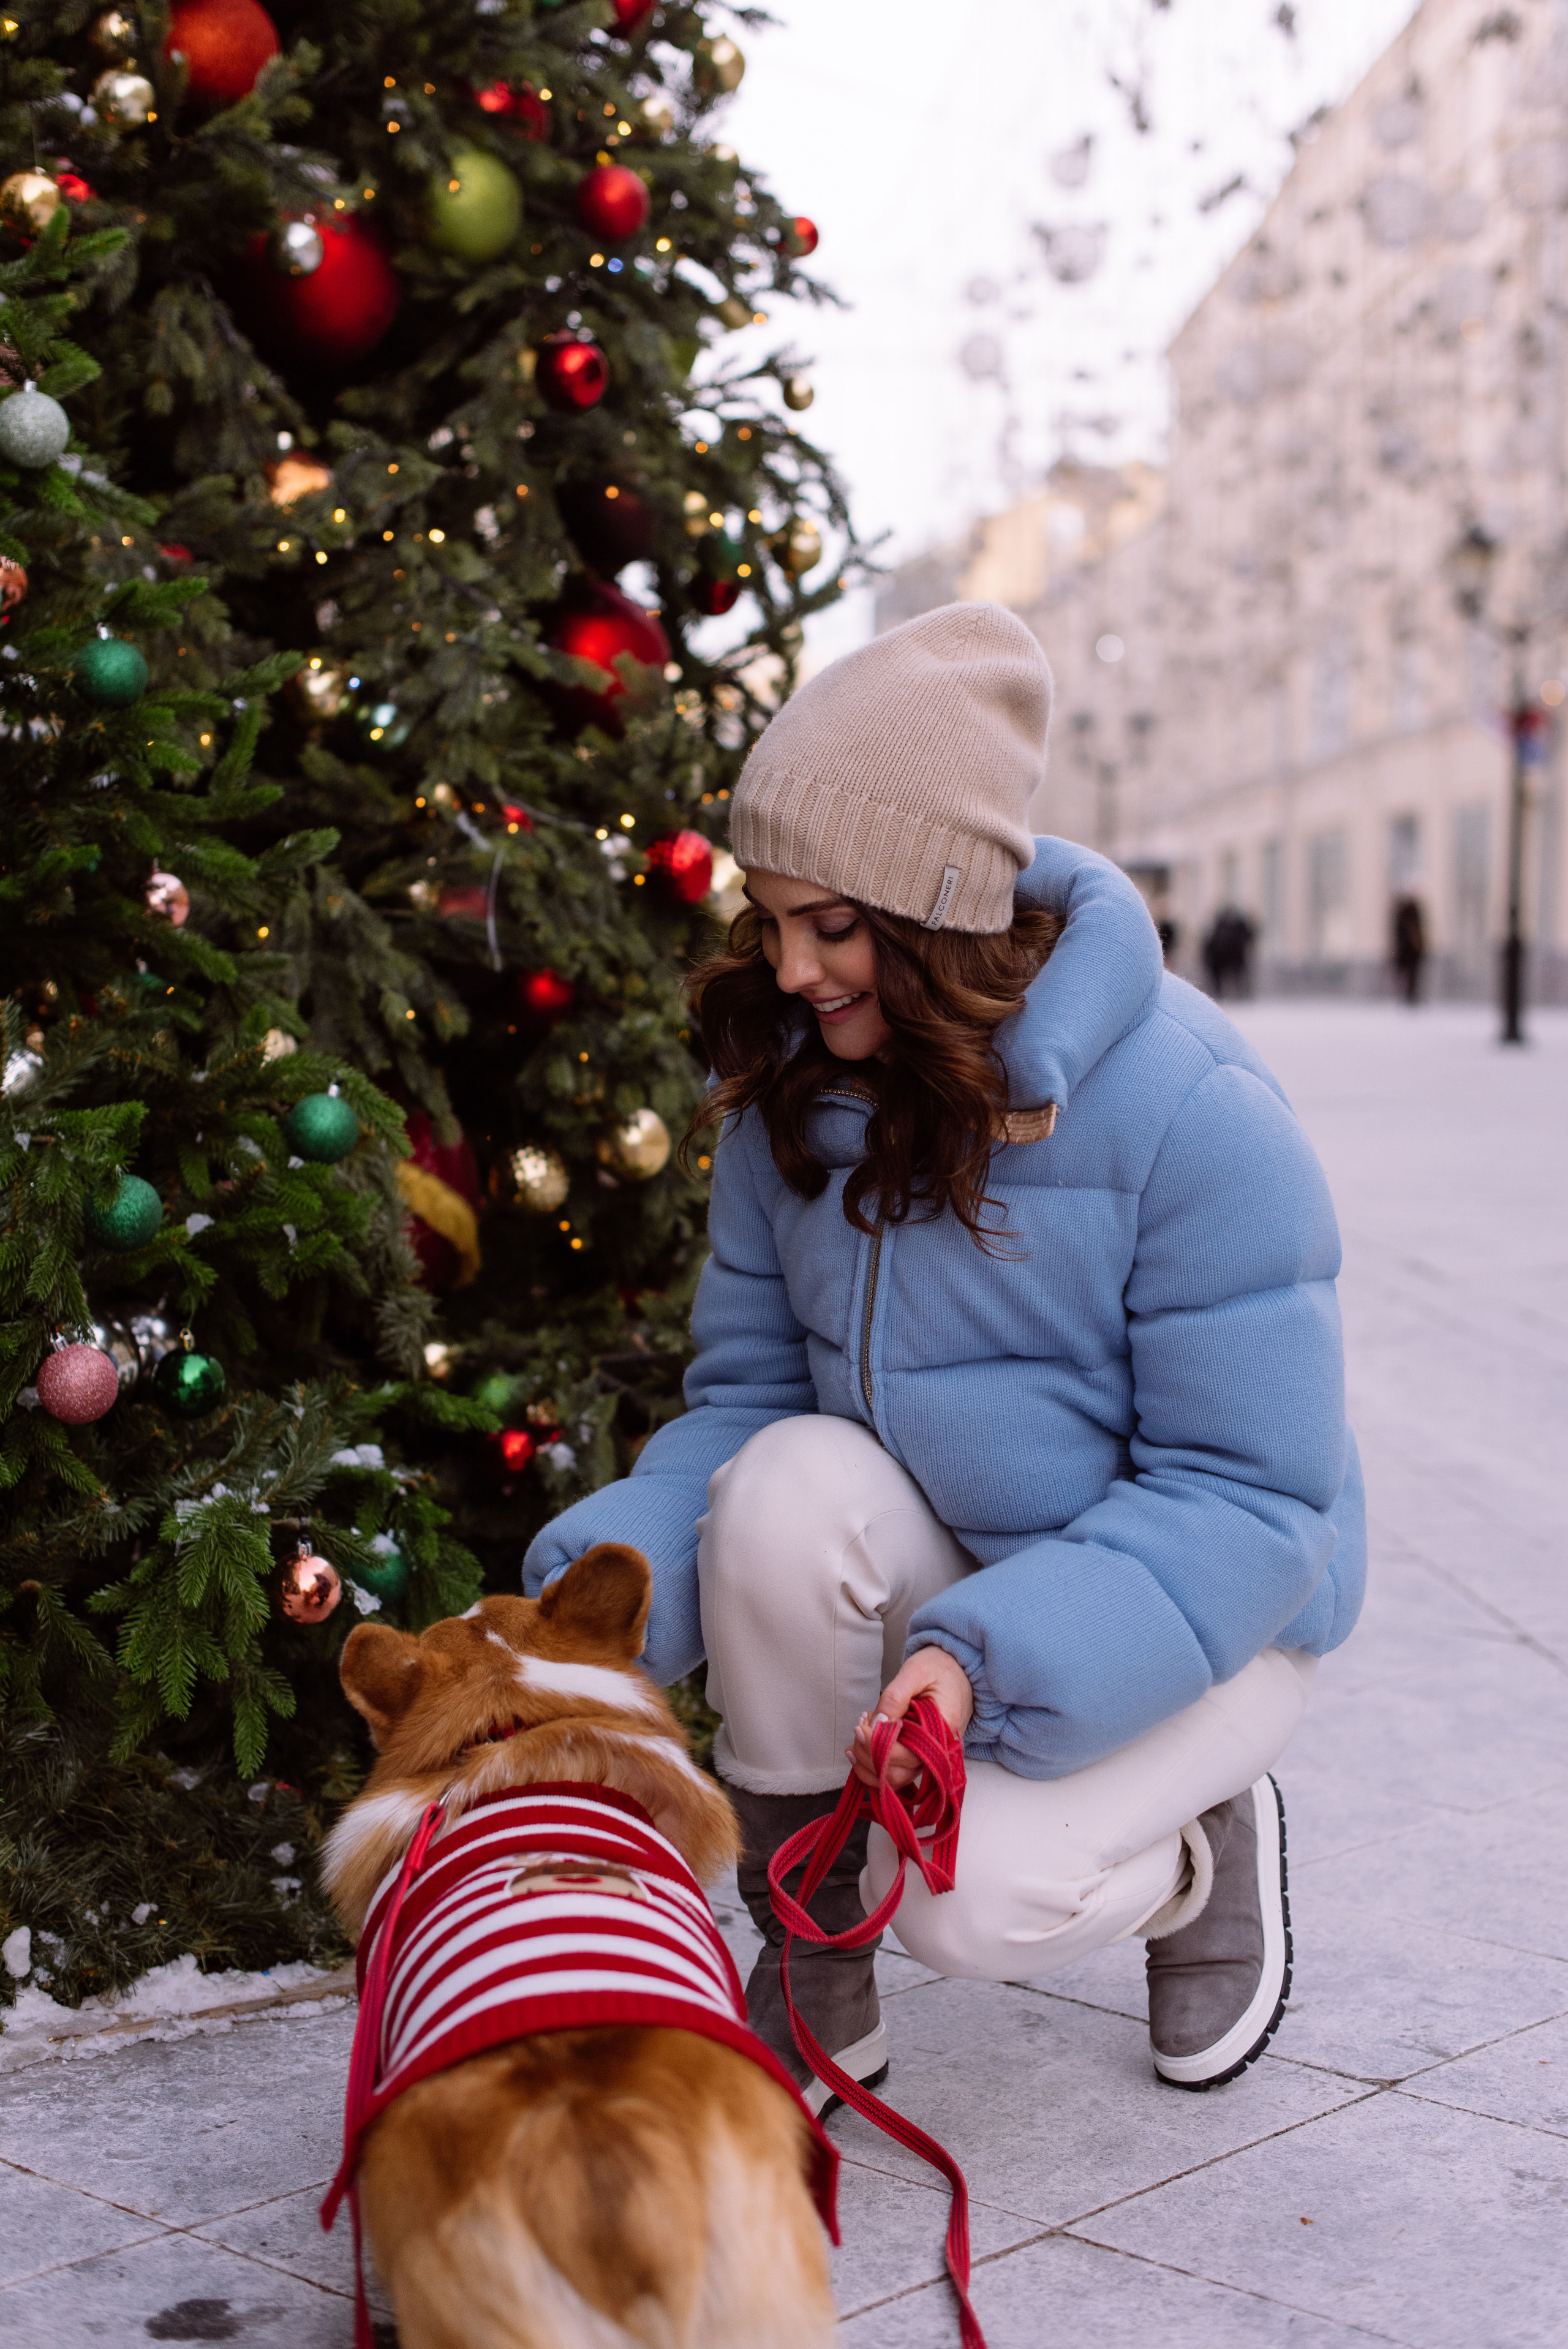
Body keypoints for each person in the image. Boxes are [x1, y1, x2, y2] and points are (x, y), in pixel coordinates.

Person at [526, 604, 1364, 2108]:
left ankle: (1195, 1842)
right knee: (781, 1481)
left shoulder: (1195, 1111)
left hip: (1221, 1602)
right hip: (968, 1590)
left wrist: (971, 1662)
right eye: (768, 918)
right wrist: (603, 1603)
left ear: (939, 909)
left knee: (970, 1902)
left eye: (829, 924)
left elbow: (1250, 1499)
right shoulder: (798, 1102)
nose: (786, 968)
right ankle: (809, 1954)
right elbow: (745, 1404)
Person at [1202, 904, 1256, 999]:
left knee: (1238, 974)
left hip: (1231, 956)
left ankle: (1239, 993)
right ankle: (1229, 993)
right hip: (1222, 957)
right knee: (1234, 975)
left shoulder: (1230, 927)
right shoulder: (1222, 927)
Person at [1392, 894, 1426, 1006]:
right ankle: (1407, 996)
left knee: (1410, 975)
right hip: (1409, 952)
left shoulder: (1406, 916)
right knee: (1409, 975)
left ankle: (1408, 996)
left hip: (1409, 952)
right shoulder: (1410, 917)